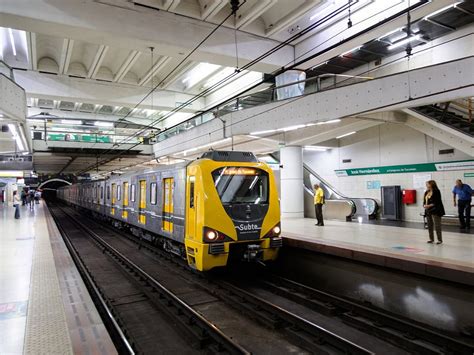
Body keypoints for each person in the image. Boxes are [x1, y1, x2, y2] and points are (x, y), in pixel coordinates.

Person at [423, 180, 445, 244]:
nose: (426, 185)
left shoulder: (436, 191)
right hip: (428, 210)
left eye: (427, 184)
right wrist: (424, 205)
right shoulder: (426, 192)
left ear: (432, 184)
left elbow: (437, 202)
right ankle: (431, 239)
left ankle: (439, 240)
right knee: (429, 225)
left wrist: (429, 205)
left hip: (435, 210)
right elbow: (424, 200)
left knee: (437, 225)